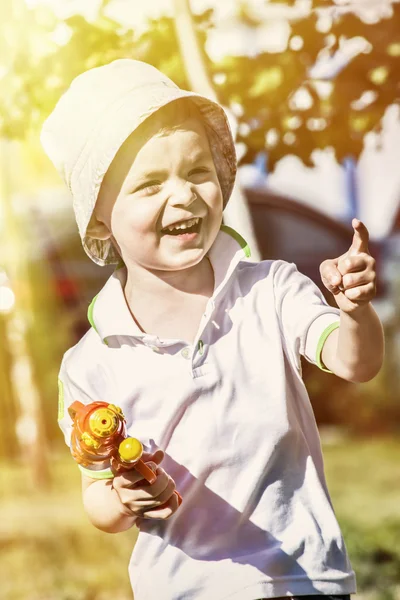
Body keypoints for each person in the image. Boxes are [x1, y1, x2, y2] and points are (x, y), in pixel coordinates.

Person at [41, 59, 384, 600]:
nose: (183, 195)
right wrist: (124, 500)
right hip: (181, 589)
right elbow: (97, 501)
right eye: (150, 184)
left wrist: (354, 311)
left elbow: (355, 362)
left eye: (198, 171)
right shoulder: (92, 362)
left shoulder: (270, 289)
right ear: (99, 217)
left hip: (300, 578)